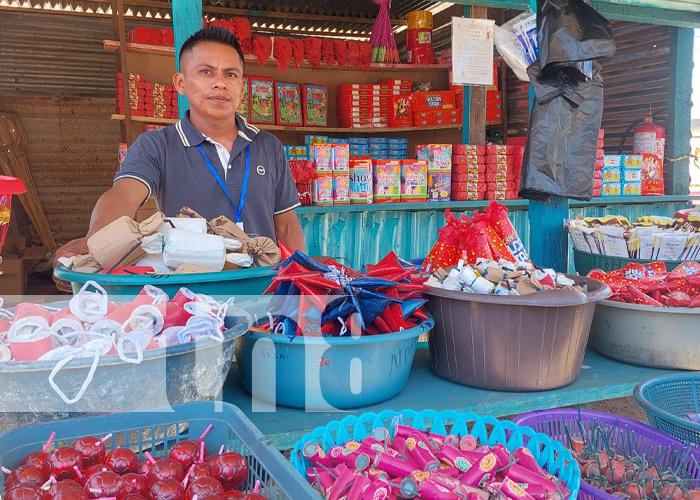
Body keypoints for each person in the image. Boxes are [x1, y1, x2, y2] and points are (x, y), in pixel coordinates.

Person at [54, 26, 304, 266]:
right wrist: (95, 240)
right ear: (181, 83)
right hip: (189, 290)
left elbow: (286, 226)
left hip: (263, 286)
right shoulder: (157, 145)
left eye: (230, 74)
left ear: (242, 88)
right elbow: (124, 196)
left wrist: (300, 282)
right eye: (206, 72)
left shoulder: (268, 146)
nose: (220, 83)